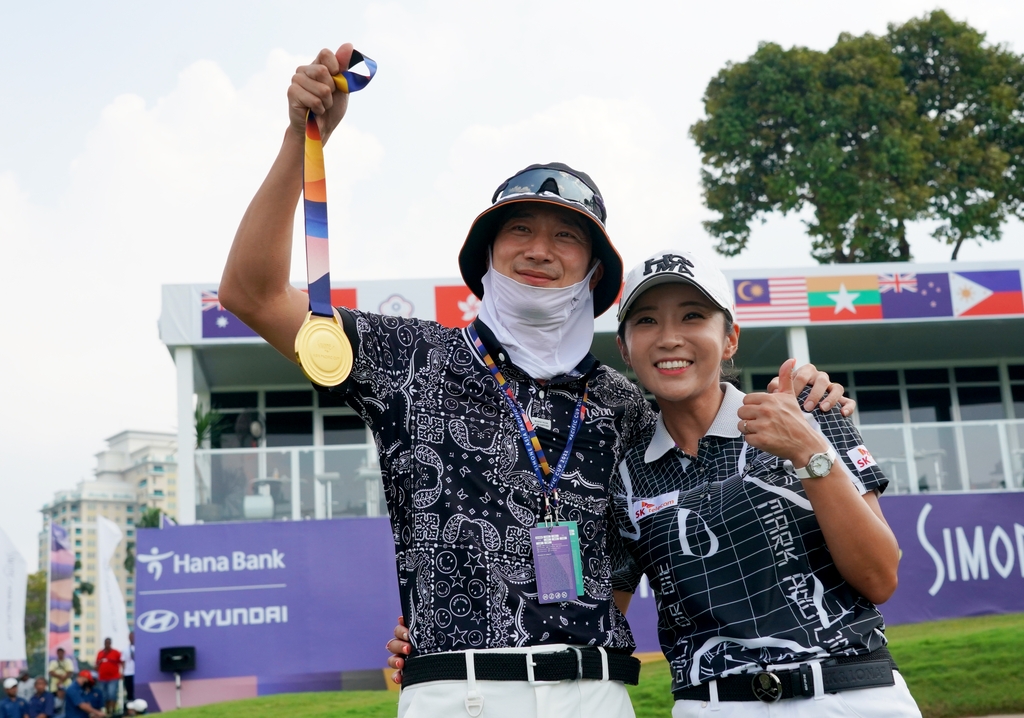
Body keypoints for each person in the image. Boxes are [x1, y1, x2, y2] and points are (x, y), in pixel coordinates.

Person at [221, 43, 850, 718]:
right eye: (519, 228)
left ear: (594, 270)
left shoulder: (625, 404)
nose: (540, 250)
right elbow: (251, 292)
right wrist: (302, 139)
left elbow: (702, 441)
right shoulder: (405, 355)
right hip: (458, 691)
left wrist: (814, 396)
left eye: (566, 238)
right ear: (485, 252)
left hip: (598, 693)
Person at [604, 248, 920, 716]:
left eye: (692, 316)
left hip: (853, 694)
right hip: (711, 705)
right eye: (646, 321)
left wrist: (806, 451)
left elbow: (879, 577)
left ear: (730, 338)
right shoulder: (624, 476)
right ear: (625, 348)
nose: (669, 338)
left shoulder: (806, 411)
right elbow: (603, 620)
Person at [94, 640, 121, 715]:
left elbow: (121, 662)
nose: (107, 644)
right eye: (106, 643)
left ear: (110, 643)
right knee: (104, 695)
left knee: (112, 694)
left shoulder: (116, 652)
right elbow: (96, 664)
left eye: (108, 643)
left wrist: (122, 673)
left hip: (113, 678)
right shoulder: (100, 653)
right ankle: (107, 711)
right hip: (102, 678)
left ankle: (113, 711)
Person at [121, 635, 134, 704]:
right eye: (131, 637)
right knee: (129, 691)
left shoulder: (140, 648)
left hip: (138, 673)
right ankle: (130, 707)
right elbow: (123, 662)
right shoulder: (125, 650)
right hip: (128, 673)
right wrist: (123, 672)